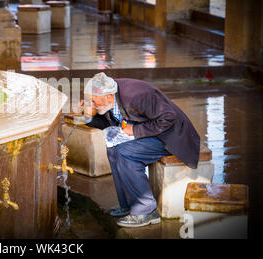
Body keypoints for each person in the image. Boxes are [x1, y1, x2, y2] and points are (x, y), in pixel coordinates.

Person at [81, 72, 200, 228]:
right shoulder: (108, 100)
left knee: (125, 152)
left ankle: (146, 209)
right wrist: (87, 115)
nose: (92, 104)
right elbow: (106, 124)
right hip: (152, 133)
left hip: (170, 136)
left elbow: (169, 117)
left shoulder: (137, 95)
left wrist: (136, 130)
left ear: (108, 96)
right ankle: (128, 205)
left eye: (93, 101)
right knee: (113, 149)